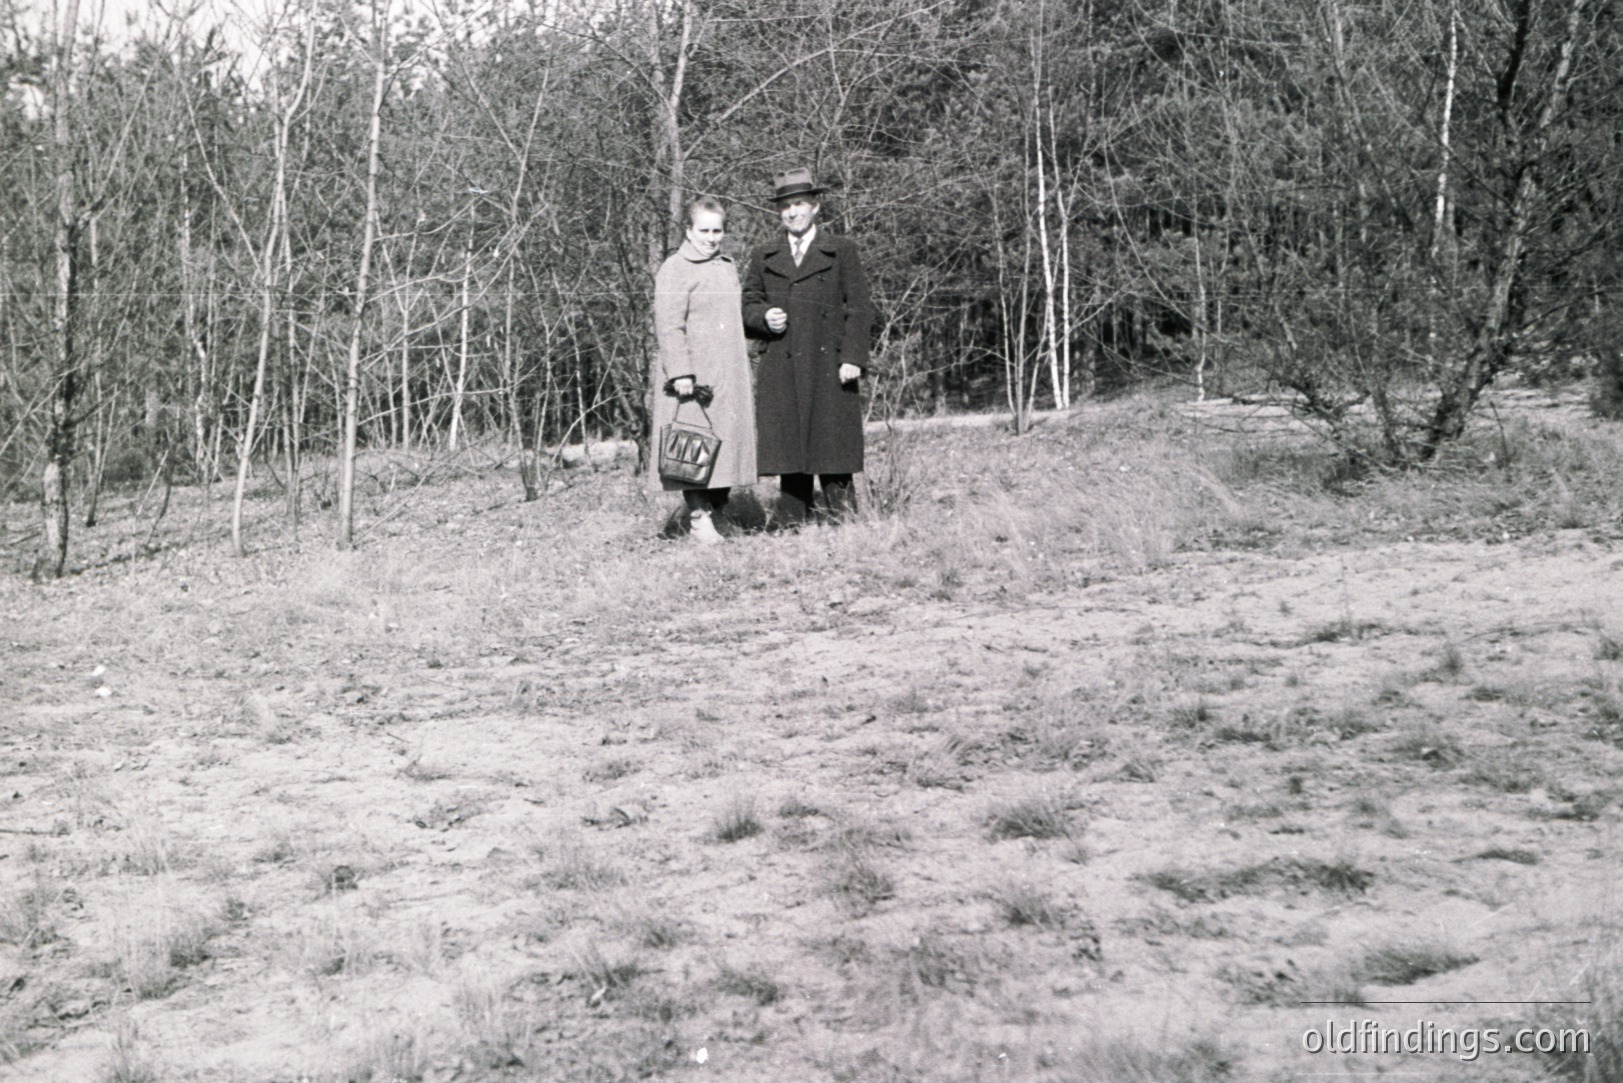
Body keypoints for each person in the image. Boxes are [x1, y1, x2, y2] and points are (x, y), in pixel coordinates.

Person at [742, 168, 874, 525]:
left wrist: (853, 357)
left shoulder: (841, 250)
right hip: (782, 362)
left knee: (833, 443)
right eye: (786, 206)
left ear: (815, 206)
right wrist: (763, 317)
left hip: (830, 363)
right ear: (778, 211)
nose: (793, 212)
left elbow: (859, 307)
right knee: (789, 443)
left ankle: (842, 519)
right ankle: (791, 522)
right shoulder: (763, 254)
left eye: (800, 204)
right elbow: (748, 303)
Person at [652, 196, 757, 543]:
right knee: (691, 447)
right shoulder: (675, 268)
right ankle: (698, 518)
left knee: (724, 448)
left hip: (728, 375)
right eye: (704, 231)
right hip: (693, 379)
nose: (712, 238)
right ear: (688, 230)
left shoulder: (726, 266)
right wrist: (681, 372)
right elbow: (669, 325)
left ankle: (718, 512)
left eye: (717, 231)